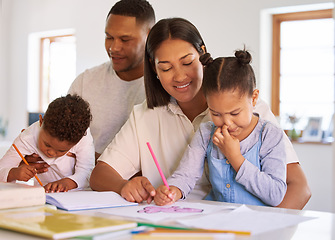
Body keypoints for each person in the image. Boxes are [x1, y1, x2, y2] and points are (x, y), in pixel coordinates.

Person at [90, 18, 311, 209]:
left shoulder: (251, 111)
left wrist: (263, 229)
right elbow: (100, 175)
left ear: (202, 54)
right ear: (153, 68)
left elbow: (299, 188)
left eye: (187, 62)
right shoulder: (146, 115)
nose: (179, 77)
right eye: (166, 68)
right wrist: (124, 185)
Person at [154, 50, 287, 206]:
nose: (227, 123)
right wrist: (174, 190)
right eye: (216, 113)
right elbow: (186, 175)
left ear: (254, 98)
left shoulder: (269, 134)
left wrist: (235, 157)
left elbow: (275, 194)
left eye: (235, 113)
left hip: (256, 222)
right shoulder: (206, 133)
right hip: (217, 220)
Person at [0, 94, 95, 193]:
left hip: (77, 197)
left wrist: (66, 183)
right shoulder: (27, 137)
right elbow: (2, 168)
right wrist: (14, 173)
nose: (51, 153)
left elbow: (87, 173)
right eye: (47, 144)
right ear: (41, 121)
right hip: (43, 196)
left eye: (61, 150)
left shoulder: (83, 137)